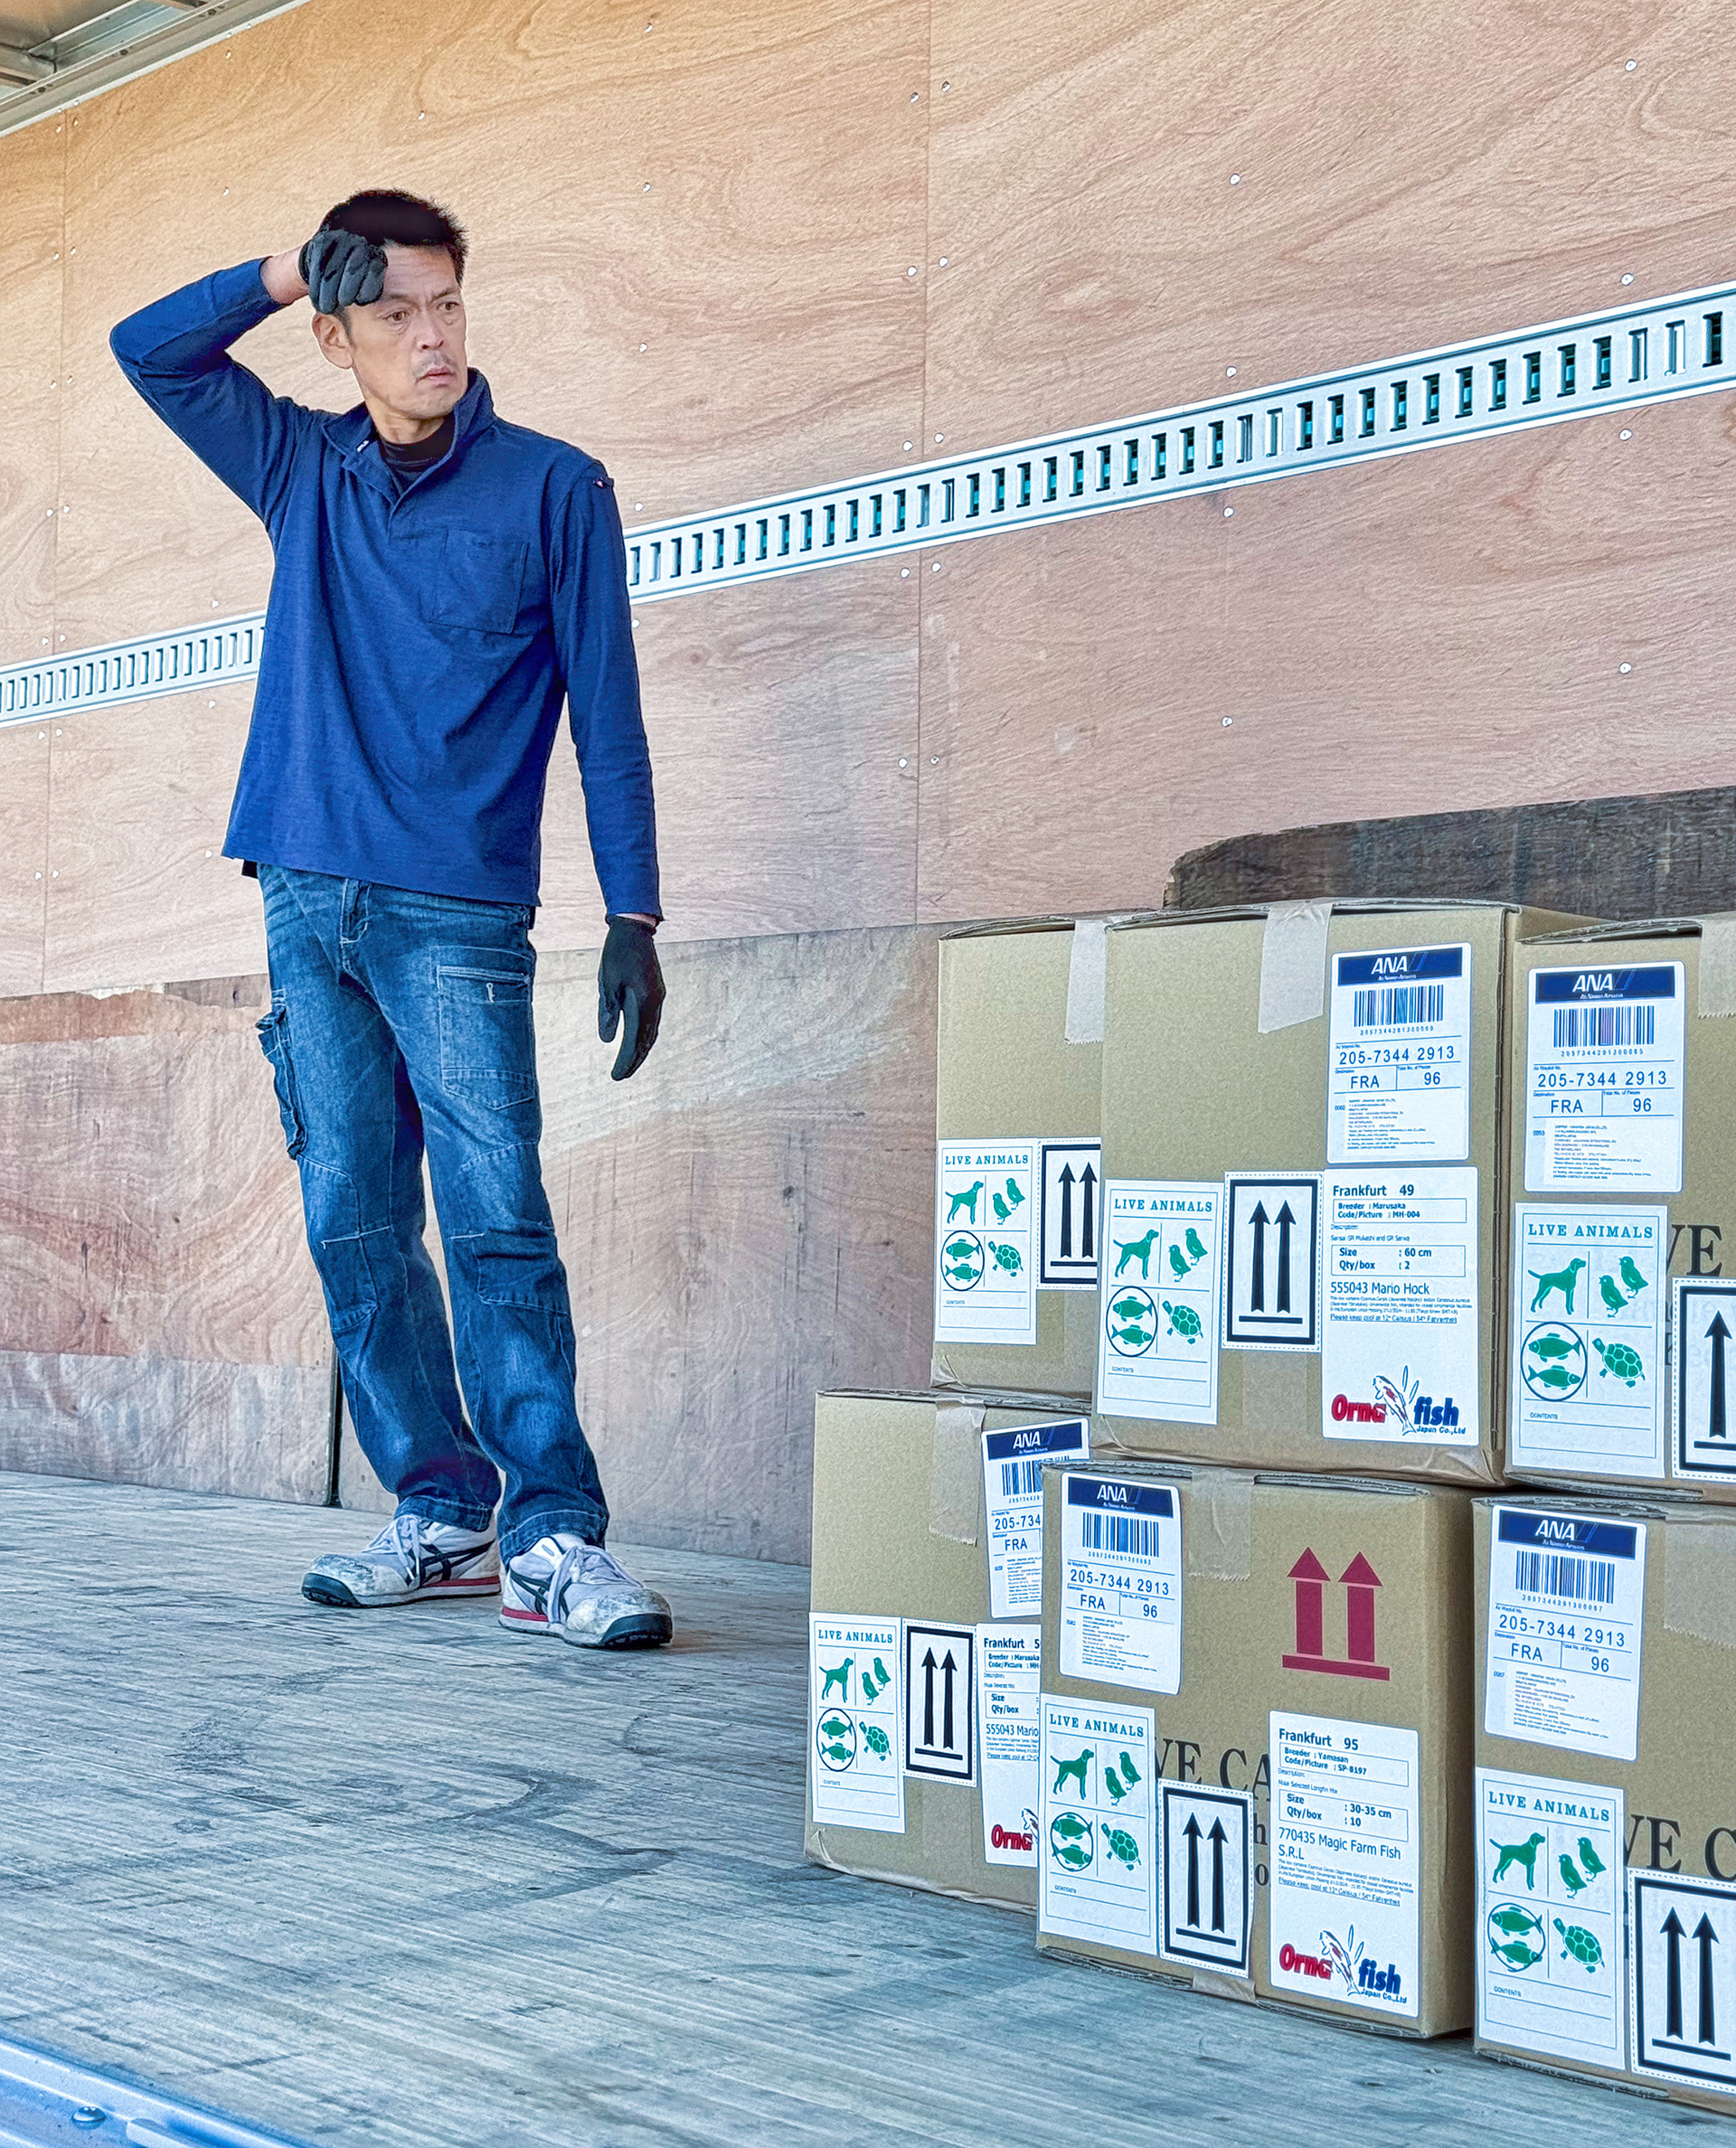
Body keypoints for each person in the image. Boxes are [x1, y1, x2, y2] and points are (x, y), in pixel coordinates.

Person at [110, 189, 674, 1650]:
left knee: (497, 1227)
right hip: (306, 898)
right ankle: (442, 1509)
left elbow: (607, 717)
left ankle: (554, 1535)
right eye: (394, 311)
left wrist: (636, 907)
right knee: (354, 1223)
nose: (431, 338)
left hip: (460, 917)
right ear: (339, 333)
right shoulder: (302, 468)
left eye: (448, 307)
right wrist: (285, 263)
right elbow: (150, 349)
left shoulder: (556, 488)